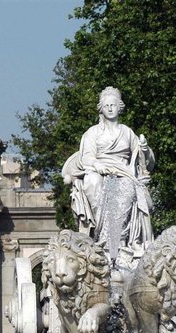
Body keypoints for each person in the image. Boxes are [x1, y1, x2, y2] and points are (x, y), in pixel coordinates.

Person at [62, 87, 155, 265]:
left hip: (124, 172)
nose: (110, 108)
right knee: (92, 180)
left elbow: (145, 161)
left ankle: (119, 238)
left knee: (128, 186)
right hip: (99, 169)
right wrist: (100, 166)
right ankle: (102, 234)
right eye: (106, 106)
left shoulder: (128, 132)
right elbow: (86, 157)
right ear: (101, 108)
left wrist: (143, 148)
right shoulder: (92, 133)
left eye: (113, 105)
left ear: (119, 107)